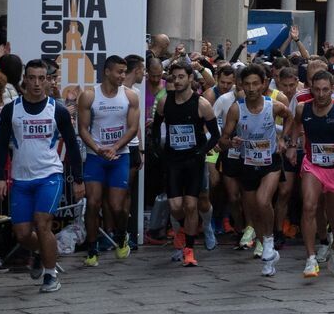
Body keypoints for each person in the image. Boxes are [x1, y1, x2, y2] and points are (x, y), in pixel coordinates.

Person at [0, 60, 85, 293]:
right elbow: (2, 145)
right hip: (21, 178)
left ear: (48, 80)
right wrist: (0, 177)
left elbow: (72, 146)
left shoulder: (58, 110)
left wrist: (80, 180)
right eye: (31, 78)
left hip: (49, 175)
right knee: (22, 234)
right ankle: (42, 251)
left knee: (43, 224)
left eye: (41, 78)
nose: (36, 83)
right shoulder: (12, 109)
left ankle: (50, 275)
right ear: (25, 79)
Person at [288, 70, 334, 279]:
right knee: (309, 206)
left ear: (332, 90)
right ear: (311, 89)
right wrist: (293, 146)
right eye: (317, 89)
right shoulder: (303, 108)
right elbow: (296, 125)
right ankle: (310, 259)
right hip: (313, 165)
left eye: (325, 90)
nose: (321, 94)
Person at [218, 64, 288, 277]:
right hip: (247, 163)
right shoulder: (236, 109)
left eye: (255, 83)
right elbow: (223, 140)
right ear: (241, 85)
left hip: (271, 163)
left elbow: (291, 117)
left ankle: (268, 241)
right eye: (247, 84)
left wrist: (284, 139)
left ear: (264, 84)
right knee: (252, 210)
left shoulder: (274, 106)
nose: (251, 88)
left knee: (262, 200)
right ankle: (266, 248)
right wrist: (231, 142)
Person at [150, 60, 220, 268]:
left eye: (182, 77)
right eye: (175, 77)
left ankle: (189, 250)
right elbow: (155, 127)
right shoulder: (165, 101)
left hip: (193, 160)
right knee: (176, 206)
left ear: (190, 78)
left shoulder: (202, 104)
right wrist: (158, 149)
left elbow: (215, 135)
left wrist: (201, 152)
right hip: (173, 160)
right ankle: (181, 230)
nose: (178, 81)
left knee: (191, 205)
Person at [76, 55, 140, 265]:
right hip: (96, 157)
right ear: (107, 71)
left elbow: (132, 128)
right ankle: (92, 249)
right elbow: (82, 129)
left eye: (124, 72)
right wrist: (97, 148)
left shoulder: (130, 96)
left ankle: (122, 237)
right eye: (119, 72)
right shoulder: (89, 95)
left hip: (119, 156)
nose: (123, 76)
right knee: (93, 204)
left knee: (116, 206)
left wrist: (115, 147)